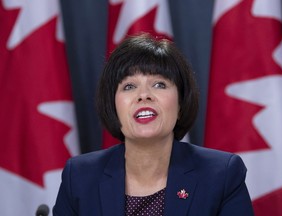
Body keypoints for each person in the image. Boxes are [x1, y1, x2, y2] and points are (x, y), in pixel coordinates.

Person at [53, 34, 254, 215]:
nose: (144, 95)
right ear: (113, 106)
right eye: (129, 86)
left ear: (181, 104)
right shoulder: (80, 176)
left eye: (159, 84)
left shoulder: (222, 175)